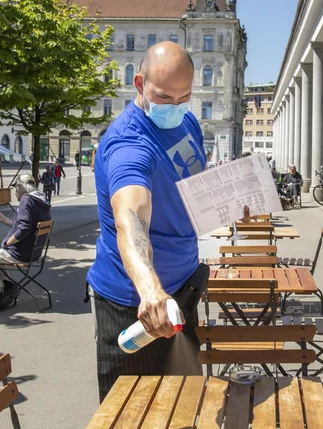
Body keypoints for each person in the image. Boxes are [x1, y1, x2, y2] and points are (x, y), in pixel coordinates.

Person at [88, 41, 228, 402]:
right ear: (139, 84)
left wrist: (228, 206)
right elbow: (130, 219)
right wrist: (150, 290)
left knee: (182, 409)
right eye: (165, 97)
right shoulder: (128, 143)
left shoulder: (187, 122)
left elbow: (191, 189)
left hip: (181, 291)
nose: (176, 107)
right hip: (136, 309)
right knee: (133, 422)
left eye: (185, 97)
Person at [0, 174, 51, 310]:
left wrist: (8, 243)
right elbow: (26, 226)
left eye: (16, 189)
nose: (15, 192)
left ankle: (5, 290)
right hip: (34, 252)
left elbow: (24, 229)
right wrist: (3, 219)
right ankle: (7, 287)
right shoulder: (42, 201)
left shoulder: (27, 199)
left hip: (19, 252)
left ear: (21, 187)